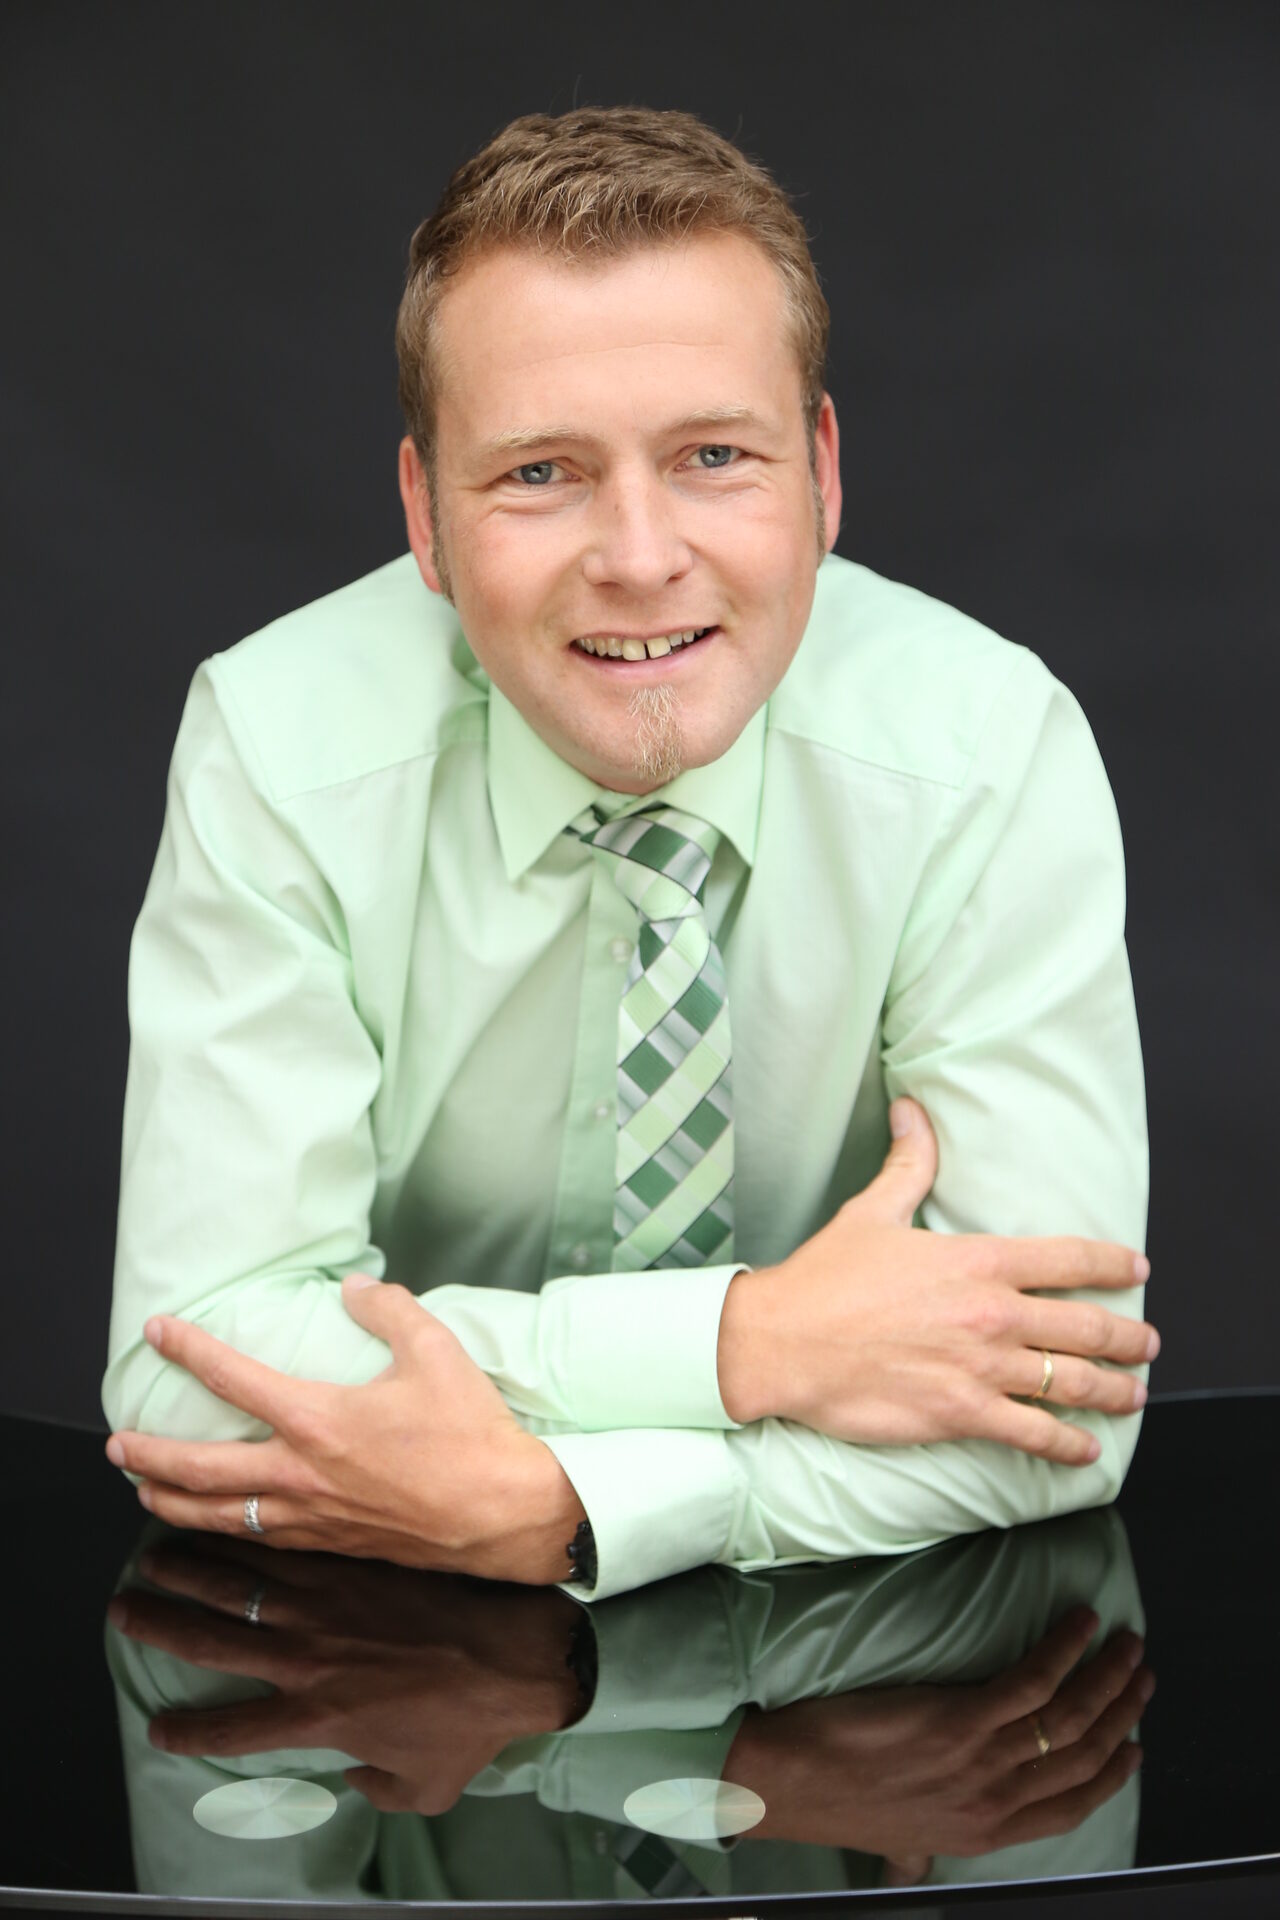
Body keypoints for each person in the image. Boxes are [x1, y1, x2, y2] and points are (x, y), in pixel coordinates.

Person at [102, 106, 1156, 1602]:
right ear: (424, 517)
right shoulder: (280, 745)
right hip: (393, 1705)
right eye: (540, 473)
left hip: (856, 1713)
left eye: (715, 455)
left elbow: (1057, 1407)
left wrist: (565, 1511)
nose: (642, 557)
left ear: (821, 474)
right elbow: (190, 1377)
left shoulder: (987, 748)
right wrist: (746, 1345)